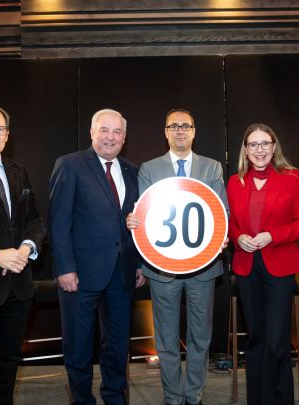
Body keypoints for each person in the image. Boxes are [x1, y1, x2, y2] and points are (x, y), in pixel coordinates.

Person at [126, 108, 228, 405]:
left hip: (204, 266)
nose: (180, 130)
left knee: (201, 336)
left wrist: (222, 237)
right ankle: (172, 396)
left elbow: (222, 211)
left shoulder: (212, 167)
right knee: (166, 339)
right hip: (161, 268)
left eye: (186, 126)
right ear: (165, 132)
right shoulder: (149, 168)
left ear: (194, 131)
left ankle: (193, 394)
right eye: (174, 126)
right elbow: (144, 214)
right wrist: (134, 221)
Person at [49, 108, 144, 405]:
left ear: (124, 138)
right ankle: (82, 400)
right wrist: (65, 268)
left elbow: (137, 219)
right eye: (104, 130)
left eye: (117, 132)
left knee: (117, 345)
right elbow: (59, 221)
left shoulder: (132, 169)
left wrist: (139, 263)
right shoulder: (70, 165)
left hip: (122, 273)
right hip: (80, 274)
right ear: (92, 132)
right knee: (78, 346)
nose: (110, 137)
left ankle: (115, 398)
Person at [227, 123, 299, 405]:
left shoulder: (291, 178)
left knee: (276, 341)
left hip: (281, 268)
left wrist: (271, 236)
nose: (260, 149)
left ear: (274, 147)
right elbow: (229, 225)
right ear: (246, 150)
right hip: (247, 267)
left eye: (265, 143)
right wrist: (239, 238)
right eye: (253, 144)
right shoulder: (235, 181)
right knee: (257, 338)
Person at [0, 102, 46, 404]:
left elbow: (35, 221)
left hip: (17, 287)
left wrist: (26, 248)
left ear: (7, 135)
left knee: (7, 362)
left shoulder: (18, 171)